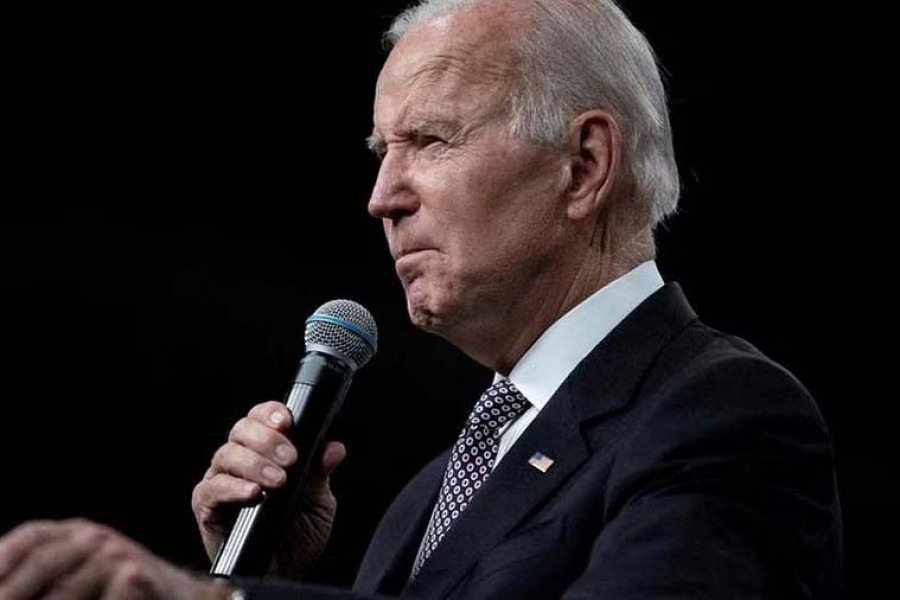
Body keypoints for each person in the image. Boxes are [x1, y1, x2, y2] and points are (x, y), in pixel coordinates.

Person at [0, 0, 842, 598]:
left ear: (584, 165)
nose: (381, 196)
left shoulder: (723, 414)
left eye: (430, 140)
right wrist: (258, 572)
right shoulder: (427, 495)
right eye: (380, 151)